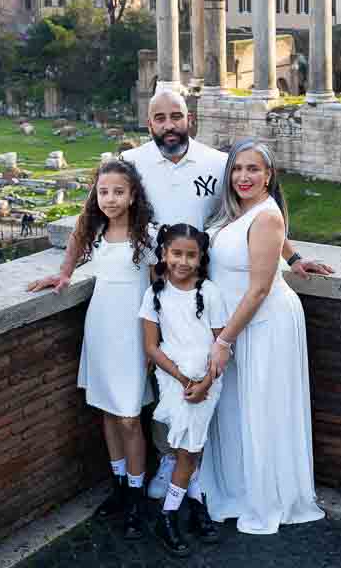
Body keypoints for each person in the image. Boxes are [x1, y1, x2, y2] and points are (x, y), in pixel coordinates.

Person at [124, 90, 333, 501]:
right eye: (160, 118)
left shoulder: (217, 163)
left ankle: (204, 471)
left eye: (176, 116)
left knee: (225, 395)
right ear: (149, 123)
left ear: (191, 118)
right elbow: (96, 214)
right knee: (172, 382)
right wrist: (66, 268)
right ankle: (173, 459)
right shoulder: (130, 165)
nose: (169, 125)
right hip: (165, 292)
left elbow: (258, 216)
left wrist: (294, 257)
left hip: (218, 304)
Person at [27, 160, 156, 540]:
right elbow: (76, 240)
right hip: (100, 328)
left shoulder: (146, 237)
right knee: (107, 411)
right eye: (103, 192)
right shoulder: (95, 230)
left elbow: (156, 295)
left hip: (132, 333)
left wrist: (154, 343)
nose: (110, 199)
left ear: (133, 195)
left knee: (130, 416)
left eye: (118, 192)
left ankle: (136, 494)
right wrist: (65, 273)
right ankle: (118, 486)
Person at [201, 140, 325, 535]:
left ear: (269, 175)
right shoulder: (245, 209)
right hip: (241, 324)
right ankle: (242, 490)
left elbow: (258, 289)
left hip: (264, 323)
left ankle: (268, 497)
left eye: (253, 169)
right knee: (240, 409)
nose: (243, 176)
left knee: (263, 410)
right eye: (237, 169)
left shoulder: (267, 215)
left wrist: (223, 342)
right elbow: (264, 240)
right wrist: (293, 258)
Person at [140, 224, 225, 556]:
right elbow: (151, 347)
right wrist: (182, 379)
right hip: (174, 377)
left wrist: (205, 382)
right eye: (176, 253)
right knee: (189, 448)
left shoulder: (211, 293)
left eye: (191, 255)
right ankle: (186, 510)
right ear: (164, 254)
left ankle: (171, 514)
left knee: (191, 448)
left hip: (208, 378)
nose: (183, 261)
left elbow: (222, 344)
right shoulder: (155, 295)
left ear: (201, 257)